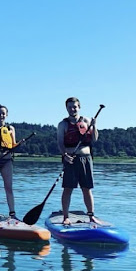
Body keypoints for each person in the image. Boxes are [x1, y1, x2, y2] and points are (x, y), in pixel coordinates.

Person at [57, 96, 98, 225]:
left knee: (87, 188)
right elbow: (60, 143)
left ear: (79, 107)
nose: (72, 109)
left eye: (74, 107)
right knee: (68, 188)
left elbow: (94, 139)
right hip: (71, 159)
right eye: (70, 107)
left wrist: (94, 126)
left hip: (85, 158)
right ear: (66, 108)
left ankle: (91, 216)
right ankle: (65, 217)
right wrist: (64, 155)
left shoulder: (86, 121)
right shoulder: (62, 124)